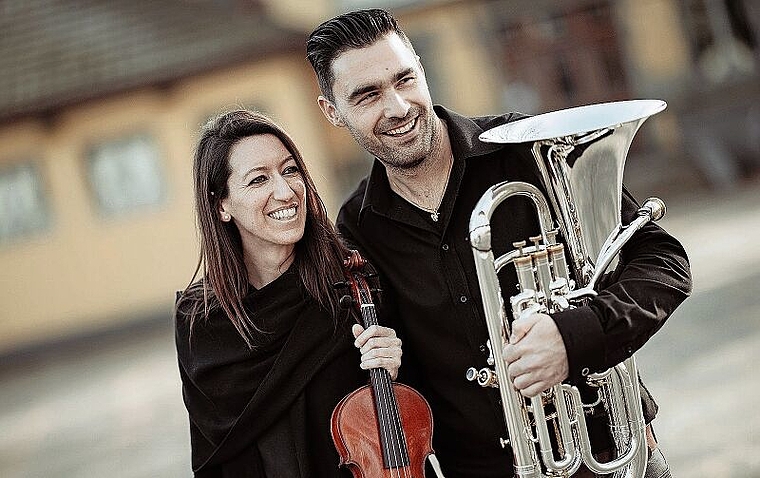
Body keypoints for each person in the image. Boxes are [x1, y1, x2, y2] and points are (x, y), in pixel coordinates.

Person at [306, 8, 691, 478]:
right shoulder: (356, 229)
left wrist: (576, 335)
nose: (398, 107)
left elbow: (662, 261)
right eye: (367, 96)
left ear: (422, 71)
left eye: (404, 80)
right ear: (332, 111)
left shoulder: (530, 148)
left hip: (610, 455)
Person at [174, 109, 403, 477]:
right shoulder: (201, 321)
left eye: (290, 170)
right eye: (258, 180)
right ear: (221, 205)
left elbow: (418, 419)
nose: (285, 191)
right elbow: (212, 457)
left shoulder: (353, 284)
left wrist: (394, 370)